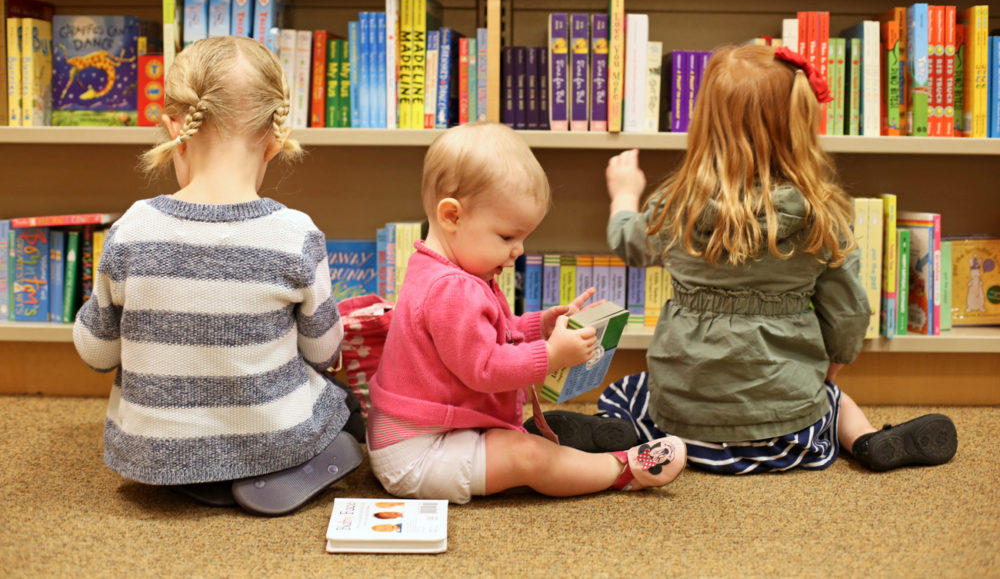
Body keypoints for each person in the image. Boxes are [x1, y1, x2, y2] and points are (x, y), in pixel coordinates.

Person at [549, 44, 957, 474]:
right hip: (787, 435)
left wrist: (625, 193)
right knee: (832, 400)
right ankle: (868, 439)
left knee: (627, 393)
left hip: (684, 428)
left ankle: (627, 439)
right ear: (800, 127)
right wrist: (830, 369)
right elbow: (849, 312)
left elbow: (628, 243)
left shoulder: (677, 206)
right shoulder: (820, 214)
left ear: (705, 123)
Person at [73, 36, 363, 516]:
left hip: (153, 456)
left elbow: (96, 353)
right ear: (276, 137)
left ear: (173, 127)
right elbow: (323, 352)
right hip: (271, 437)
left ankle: (197, 479)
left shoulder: (130, 230)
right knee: (345, 406)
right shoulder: (296, 234)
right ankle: (263, 466)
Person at [366, 122, 686, 504]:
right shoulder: (453, 289)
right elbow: (484, 368)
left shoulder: (445, 269)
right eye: (506, 237)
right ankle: (622, 470)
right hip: (418, 454)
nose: (518, 250)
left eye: (523, 237)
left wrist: (540, 325)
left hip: (432, 433)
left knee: (525, 443)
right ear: (452, 216)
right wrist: (551, 356)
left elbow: (488, 333)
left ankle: (568, 455)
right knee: (529, 457)